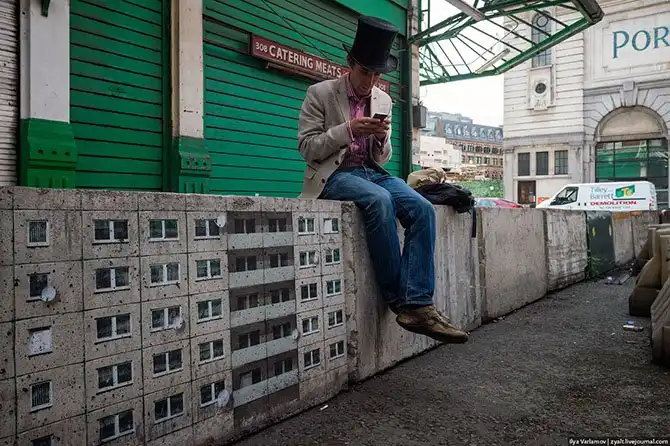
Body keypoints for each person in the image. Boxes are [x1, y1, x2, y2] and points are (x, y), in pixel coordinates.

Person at [296, 15, 468, 344]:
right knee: (380, 201)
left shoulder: (383, 99)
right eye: (365, 72)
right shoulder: (320, 93)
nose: (371, 81)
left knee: (422, 208)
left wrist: (380, 138)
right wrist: (348, 130)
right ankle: (400, 301)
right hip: (335, 175)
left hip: (372, 172)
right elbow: (307, 148)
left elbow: (383, 157)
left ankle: (418, 303)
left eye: (377, 74)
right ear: (350, 63)